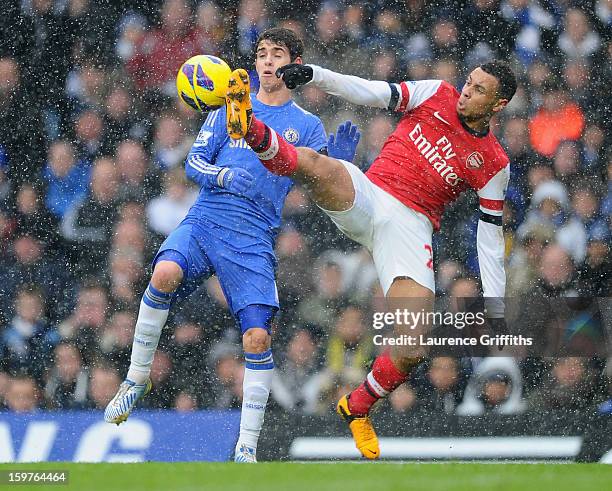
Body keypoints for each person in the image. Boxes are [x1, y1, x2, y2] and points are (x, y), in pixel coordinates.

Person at [224, 58, 516, 459]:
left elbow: (489, 236)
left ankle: (357, 406)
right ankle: (250, 128)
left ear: (498, 105)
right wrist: (316, 75)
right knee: (314, 164)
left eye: (480, 90)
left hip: (410, 230)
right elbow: (374, 91)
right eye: (469, 83)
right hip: (370, 194)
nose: (467, 91)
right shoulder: (437, 93)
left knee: (414, 343)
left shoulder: (495, 163)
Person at [104, 28, 359, 464]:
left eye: (276, 55)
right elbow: (194, 163)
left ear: (294, 64)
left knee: (258, 338)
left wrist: (339, 166)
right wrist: (221, 176)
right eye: (261, 54)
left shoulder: (308, 126)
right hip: (206, 219)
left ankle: (246, 449)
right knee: (164, 273)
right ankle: (136, 379)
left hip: (252, 237)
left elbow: (320, 190)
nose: (265, 61)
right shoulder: (230, 108)